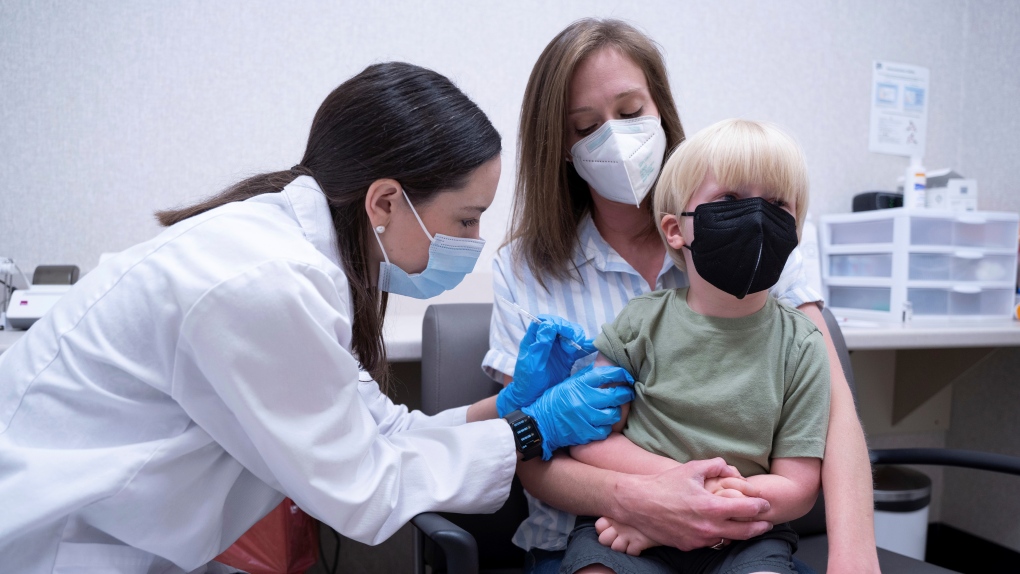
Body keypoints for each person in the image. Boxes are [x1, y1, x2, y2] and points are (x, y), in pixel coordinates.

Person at [0, 62, 635, 573]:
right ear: (385, 201)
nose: (473, 239)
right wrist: (532, 430)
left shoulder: (296, 260)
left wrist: (510, 407)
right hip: (53, 540)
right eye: (465, 219)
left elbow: (380, 428)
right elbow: (363, 487)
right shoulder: (264, 283)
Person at [484, 18, 879, 574]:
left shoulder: (763, 233)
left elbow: (834, 410)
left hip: (743, 533)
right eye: (585, 126)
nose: (615, 138)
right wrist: (649, 501)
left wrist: (855, 556)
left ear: (662, 112)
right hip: (601, 533)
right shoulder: (524, 269)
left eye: (629, 112)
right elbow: (527, 452)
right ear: (560, 147)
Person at [561, 118, 831, 574]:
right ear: (675, 230)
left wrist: (713, 505)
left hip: (747, 530)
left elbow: (798, 488)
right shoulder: (638, 324)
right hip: (635, 513)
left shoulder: (803, 344)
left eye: (777, 203)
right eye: (729, 199)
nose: (758, 216)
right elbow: (592, 443)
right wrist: (667, 498)